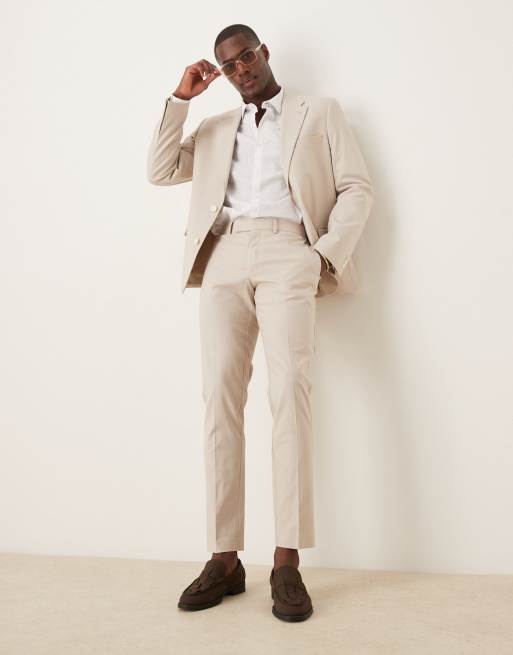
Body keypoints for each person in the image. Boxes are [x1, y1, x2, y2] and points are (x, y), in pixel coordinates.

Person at [147, 23, 374, 622]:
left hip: (289, 252)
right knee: (219, 398)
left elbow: (356, 188)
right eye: (228, 65)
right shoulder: (215, 127)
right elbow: (160, 169)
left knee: (289, 393)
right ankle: (224, 559)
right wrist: (181, 98)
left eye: (246, 56)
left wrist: (322, 255)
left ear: (263, 53)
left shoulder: (318, 112)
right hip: (223, 256)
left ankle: (286, 561)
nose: (240, 69)